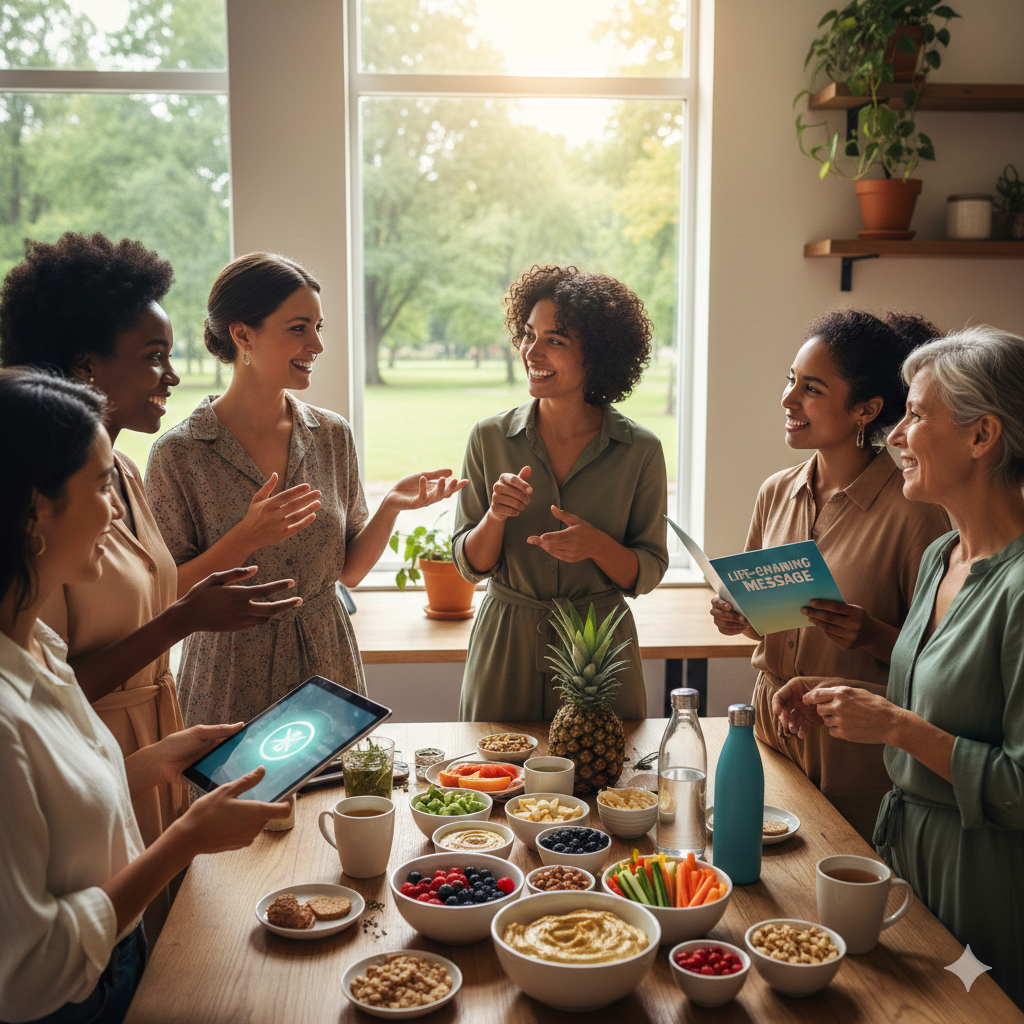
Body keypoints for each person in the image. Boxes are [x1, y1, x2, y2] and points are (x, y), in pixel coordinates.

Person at [0, 233, 301, 937]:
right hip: (86, 746)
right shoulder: (34, 525)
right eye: (154, 357)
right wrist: (183, 621)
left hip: (146, 741)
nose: (171, 375)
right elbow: (52, 685)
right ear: (86, 369)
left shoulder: (125, 476)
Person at [0, 368, 291, 1024]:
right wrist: (184, 840)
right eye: (101, 486)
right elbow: (28, 976)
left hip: (115, 965)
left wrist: (156, 761)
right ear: (34, 514)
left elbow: (54, 815)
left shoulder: (38, 651)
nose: (119, 510)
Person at [772, 326, 1024, 1008]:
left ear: (982, 437)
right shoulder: (943, 553)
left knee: (976, 1010)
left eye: (916, 415)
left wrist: (893, 726)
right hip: (905, 865)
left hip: (984, 887)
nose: (894, 434)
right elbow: (931, 700)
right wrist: (840, 691)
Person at [145, 252, 465, 726]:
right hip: (229, 681)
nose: (316, 344)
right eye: (298, 328)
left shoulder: (332, 435)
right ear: (243, 334)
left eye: (319, 327)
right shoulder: (179, 454)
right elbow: (163, 593)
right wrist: (246, 537)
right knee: (237, 798)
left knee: (338, 801)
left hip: (328, 671)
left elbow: (349, 572)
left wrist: (393, 506)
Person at [709, 309, 950, 841]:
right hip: (768, 726)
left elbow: (939, 663)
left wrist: (870, 633)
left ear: (866, 409)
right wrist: (739, 615)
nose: (788, 400)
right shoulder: (776, 491)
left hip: (852, 748)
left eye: (811, 388)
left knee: (834, 897)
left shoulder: (915, 513)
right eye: (790, 381)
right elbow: (765, 625)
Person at [453, 265, 669, 722]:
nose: (532, 351)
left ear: (600, 356)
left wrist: (596, 546)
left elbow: (647, 571)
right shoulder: (488, 438)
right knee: (492, 779)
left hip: (600, 647)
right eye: (529, 334)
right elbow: (469, 565)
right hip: (505, 644)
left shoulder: (641, 451)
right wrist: (495, 516)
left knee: (608, 788)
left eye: (555, 340)